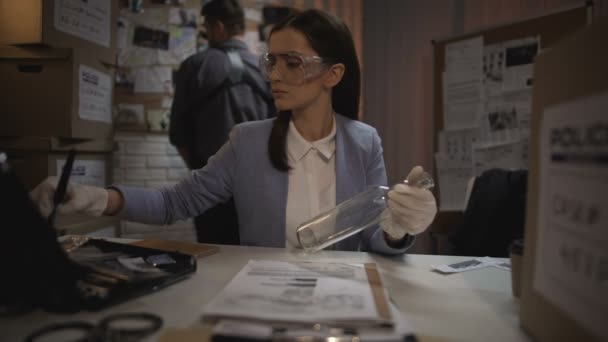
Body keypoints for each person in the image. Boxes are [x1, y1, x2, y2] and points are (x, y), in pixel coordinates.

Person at [31, 9, 437, 255]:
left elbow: (373, 241)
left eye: (291, 62)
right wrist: (97, 198)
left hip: (345, 301)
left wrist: (398, 228)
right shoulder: (249, 141)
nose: (273, 75)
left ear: (333, 73)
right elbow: (175, 202)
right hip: (260, 294)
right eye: (271, 61)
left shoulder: (364, 141)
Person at [169, 0, 274, 245]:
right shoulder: (267, 69)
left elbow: (179, 134)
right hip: (259, 185)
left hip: (210, 188)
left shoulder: (194, 65)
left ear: (217, 26)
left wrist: (202, 172)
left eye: (206, 27)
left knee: (213, 257)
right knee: (256, 256)